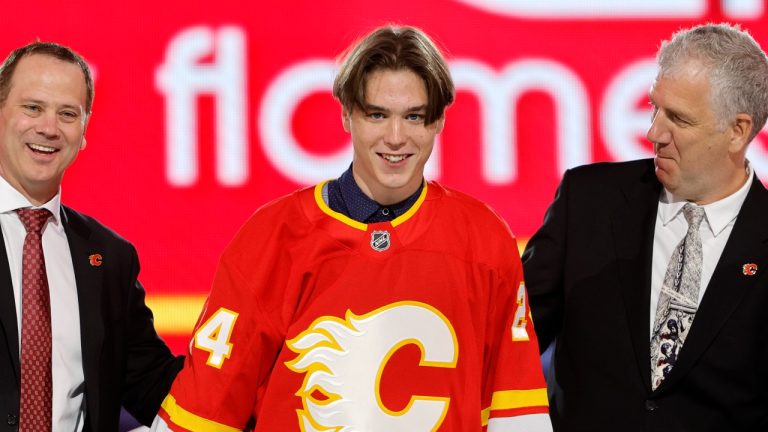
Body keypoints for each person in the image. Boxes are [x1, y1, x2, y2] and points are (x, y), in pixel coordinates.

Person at [153, 25, 551, 431]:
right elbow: (204, 411)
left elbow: (517, 416)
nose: (396, 138)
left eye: (413, 116)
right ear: (346, 114)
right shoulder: (272, 237)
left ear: (438, 122)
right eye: (377, 114)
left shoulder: (484, 239)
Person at [522, 23, 768, 431]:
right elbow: (512, 341)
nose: (654, 132)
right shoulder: (587, 202)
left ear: (738, 131)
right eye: (655, 107)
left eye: (679, 119)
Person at [0, 42, 183, 431]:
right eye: (32, 108)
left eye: (68, 114)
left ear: (84, 130)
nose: (48, 127)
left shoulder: (109, 257)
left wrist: (251, 370)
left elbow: (152, 381)